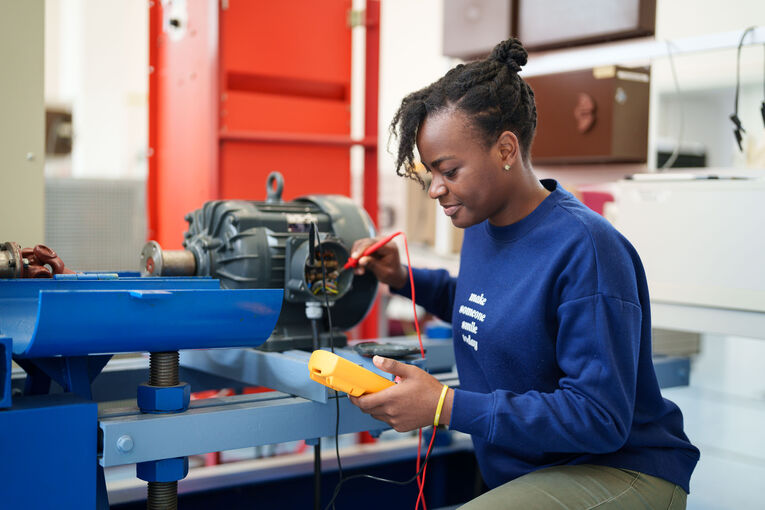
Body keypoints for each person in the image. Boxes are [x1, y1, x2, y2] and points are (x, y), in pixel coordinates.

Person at [348, 38, 699, 509]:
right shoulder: (482, 223)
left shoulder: (586, 249)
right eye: (429, 173)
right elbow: (484, 305)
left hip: (622, 470)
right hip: (537, 471)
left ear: (506, 149)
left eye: (448, 170)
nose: (435, 189)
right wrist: (401, 277)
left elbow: (599, 415)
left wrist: (445, 406)